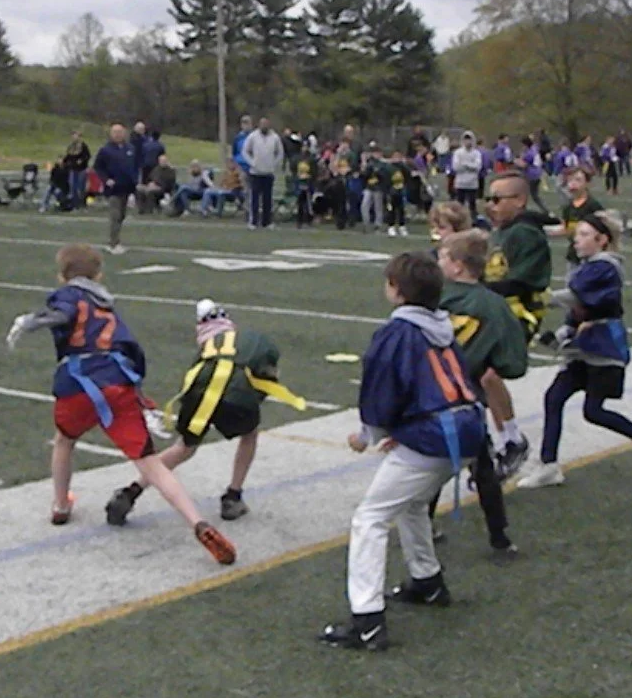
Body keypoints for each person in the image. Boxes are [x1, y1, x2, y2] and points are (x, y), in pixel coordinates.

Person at [3, 244, 238, 562]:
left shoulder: (68, 295)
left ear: (61, 276)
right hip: (118, 382)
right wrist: (137, 392)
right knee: (150, 464)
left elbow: (65, 313)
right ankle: (198, 522)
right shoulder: (107, 306)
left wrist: (33, 321)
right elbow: (133, 351)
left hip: (78, 384)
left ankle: (60, 505)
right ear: (99, 275)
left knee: (64, 440)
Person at [318, 252, 486, 652]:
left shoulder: (397, 333)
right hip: (466, 429)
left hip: (434, 435)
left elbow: (384, 388)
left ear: (396, 290)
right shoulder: (442, 327)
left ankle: (367, 620)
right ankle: (427, 581)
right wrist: (406, 432)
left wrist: (369, 434)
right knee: (411, 503)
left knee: (369, 519)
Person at [106, 299, 305, 525]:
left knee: (184, 447)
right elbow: (270, 369)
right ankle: (233, 496)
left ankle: (131, 491)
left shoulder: (206, 348)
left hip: (199, 392)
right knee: (249, 434)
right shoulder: (249, 339)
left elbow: (194, 377)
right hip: (234, 391)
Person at [518, 211, 632, 489]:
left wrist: (533, 298)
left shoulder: (605, 266)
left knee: (593, 411)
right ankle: (549, 465)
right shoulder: (588, 266)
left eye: (584, 235)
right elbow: (578, 309)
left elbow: (575, 297)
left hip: (603, 346)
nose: (576, 240)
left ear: (602, 240)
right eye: (577, 234)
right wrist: (564, 332)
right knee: (554, 397)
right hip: (584, 345)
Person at [436, 228, 530, 533]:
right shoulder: (495, 304)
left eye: (443, 257)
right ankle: (500, 535)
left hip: (433, 395)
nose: (438, 262)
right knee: (483, 466)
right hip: (471, 399)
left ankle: (425, 526)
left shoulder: (433, 297)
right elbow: (513, 363)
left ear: (457, 266)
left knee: (428, 465)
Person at [483, 172, 553, 341]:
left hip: (516, 315)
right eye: (488, 199)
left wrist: (477, 290)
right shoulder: (504, 230)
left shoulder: (525, 233)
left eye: (496, 199)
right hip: (498, 311)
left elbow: (519, 283)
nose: (491, 205)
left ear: (519, 200)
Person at [93, 124, 138, 255]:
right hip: (113, 189)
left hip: (127, 188)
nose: (118, 135)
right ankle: (113, 243)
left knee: (122, 215)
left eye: (120, 132)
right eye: (115, 132)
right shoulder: (105, 150)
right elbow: (98, 167)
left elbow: (134, 166)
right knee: (115, 215)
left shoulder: (130, 148)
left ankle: (116, 239)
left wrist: (135, 182)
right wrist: (106, 179)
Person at [242, 117, 284, 230]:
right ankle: (253, 222)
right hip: (255, 173)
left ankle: (267, 222)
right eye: (262, 124)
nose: (264, 126)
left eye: (266, 124)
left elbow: (280, 153)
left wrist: (274, 164)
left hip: (268, 173)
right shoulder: (253, 136)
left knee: (267, 199)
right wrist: (252, 163)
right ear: (259, 125)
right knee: (254, 198)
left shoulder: (275, 137)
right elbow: (245, 151)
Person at [561, 167, 603, 275]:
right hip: (573, 255)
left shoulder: (593, 206)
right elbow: (566, 229)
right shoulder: (567, 207)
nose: (573, 183)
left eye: (578, 180)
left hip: (591, 256)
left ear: (587, 183)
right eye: (570, 180)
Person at [452, 131, 484, 220]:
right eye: (466, 140)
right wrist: (470, 166)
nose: (467, 142)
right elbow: (456, 167)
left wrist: (466, 164)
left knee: (472, 204)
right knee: (459, 204)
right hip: (460, 183)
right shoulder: (458, 153)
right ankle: (459, 220)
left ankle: (473, 220)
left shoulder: (476, 153)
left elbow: (478, 167)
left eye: (469, 140)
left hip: (472, 183)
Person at [360, 150, 387, 232]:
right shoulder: (370, 163)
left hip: (378, 187)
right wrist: (366, 169)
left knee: (378, 207)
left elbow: (384, 176)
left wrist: (378, 172)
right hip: (369, 187)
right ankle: (366, 223)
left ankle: (378, 224)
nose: (376, 155)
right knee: (364, 205)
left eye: (377, 153)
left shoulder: (383, 164)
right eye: (374, 153)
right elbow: (364, 175)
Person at [520, 136, 548, 213]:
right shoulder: (535, 149)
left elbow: (524, 164)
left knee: (526, 193)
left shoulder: (529, 153)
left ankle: (523, 209)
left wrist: (516, 161)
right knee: (534, 195)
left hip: (531, 175)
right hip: (538, 173)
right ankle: (545, 210)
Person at [386, 150, 410, 237]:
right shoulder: (388, 167)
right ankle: (391, 227)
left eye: (398, 156)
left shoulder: (403, 167)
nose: (397, 158)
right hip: (391, 192)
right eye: (395, 156)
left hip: (401, 191)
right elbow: (385, 179)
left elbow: (408, 175)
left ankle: (401, 226)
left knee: (401, 210)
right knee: (391, 210)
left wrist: (403, 164)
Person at [65, 131, 92, 207]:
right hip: (73, 169)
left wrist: (82, 160)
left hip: (82, 169)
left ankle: (82, 203)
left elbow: (88, 155)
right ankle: (75, 203)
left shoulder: (83, 146)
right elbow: (68, 156)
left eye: (75, 136)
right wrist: (65, 162)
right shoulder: (70, 146)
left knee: (81, 187)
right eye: (73, 136)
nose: (74, 138)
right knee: (73, 186)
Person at [293, 151, 316, 228]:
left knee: (308, 203)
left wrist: (309, 178)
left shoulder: (312, 160)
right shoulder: (297, 159)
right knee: (300, 203)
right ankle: (299, 221)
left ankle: (308, 220)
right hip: (300, 183)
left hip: (308, 183)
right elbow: (294, 171)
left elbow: (314, 173)